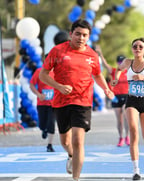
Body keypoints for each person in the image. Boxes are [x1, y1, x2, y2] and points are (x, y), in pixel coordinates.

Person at [39, 19, 114, 181]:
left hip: (83, 101)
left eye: (85, 35)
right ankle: (71, 154)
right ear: (71, 34)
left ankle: (76, 178)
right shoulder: (57, 51)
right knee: (65, 141)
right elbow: (43, 75)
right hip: (61, 101)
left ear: (88, 37)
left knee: (78, 140)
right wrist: (58, 86)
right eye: (78, 34)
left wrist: (106, 88)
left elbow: (97, 75)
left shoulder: (92, 55)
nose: (81, 38)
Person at [111, 37, 144, 180]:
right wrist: (116, 78)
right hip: (132, 100)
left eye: (141, 47)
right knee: (133, 130)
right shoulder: (128, 62)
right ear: (132, 49)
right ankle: (136, 170)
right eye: (135, 46)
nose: (138, 49)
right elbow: (118, 69)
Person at [97, 46, 130, 147]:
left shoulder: (129, 71)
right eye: (119, 62)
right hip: (116, 97)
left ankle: (127, 137)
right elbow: (105, 64)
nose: (120, 64)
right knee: (119, 120)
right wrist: (100, 53)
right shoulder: (114, 71)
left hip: (126, 96)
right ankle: (120, 137)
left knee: (125, 116)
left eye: (122, 62)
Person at [29, 67, 55, 152]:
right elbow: (31, 84)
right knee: (42, 124)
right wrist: (38, 94)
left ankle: (49, 145)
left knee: (51, 123)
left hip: (53, 103)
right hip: (42, 103)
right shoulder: (39, 71)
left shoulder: (57, 72)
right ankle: (44, 129)